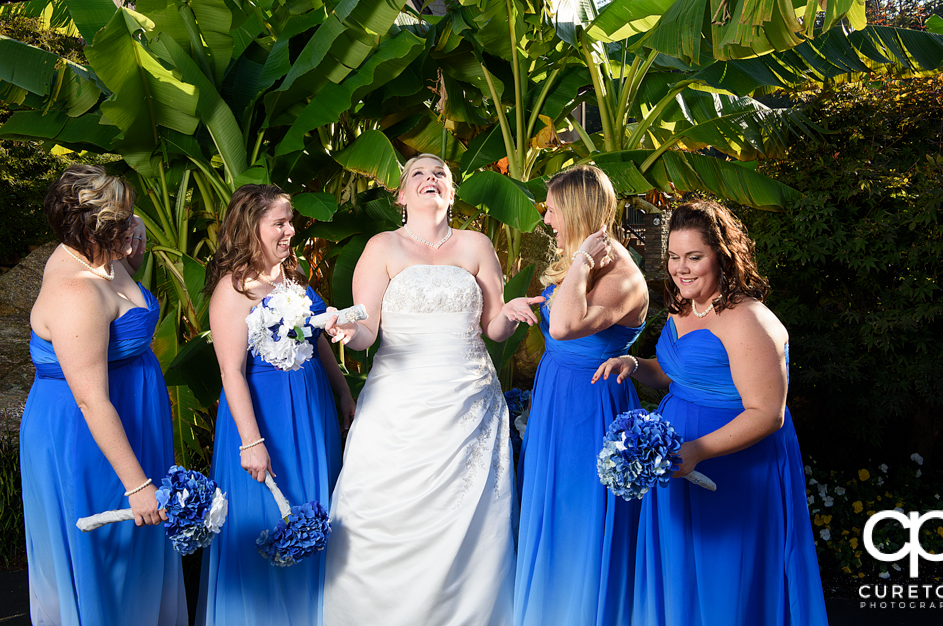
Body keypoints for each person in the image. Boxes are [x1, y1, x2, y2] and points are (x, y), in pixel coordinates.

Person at [321, 154, 538, 626]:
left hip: (471, 403)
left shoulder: (478, 244)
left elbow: (494, 328)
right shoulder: (382, 247)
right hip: (399, 403)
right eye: (417, 173)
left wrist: (511, 310)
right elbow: (366, 328)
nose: (430, 178)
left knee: (470, 522)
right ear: (400, 195)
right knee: (387, 513)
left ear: (452, 192)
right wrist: (343, 328)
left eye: (440, 173)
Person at [594, 199, 829, 626]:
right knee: (679, 572)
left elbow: (767, 413)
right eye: (673, 257)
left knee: (727, 582)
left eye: (694, 257)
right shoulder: (683, 308)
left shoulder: (749, 321)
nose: (681, 269)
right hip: (676, 462)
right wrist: (634, 365)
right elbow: (671, 372)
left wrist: (697, 450)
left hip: (732, 465)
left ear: (721, 255)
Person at [20, 164, 188, 625]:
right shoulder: (75, 293)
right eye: (127, 218)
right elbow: (91, 399)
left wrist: (131, 251)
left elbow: (124, 295)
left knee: (140, 546)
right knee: (109, 548)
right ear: (97, 230)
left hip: (131, 408)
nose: (136, 223)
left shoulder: (99, 255)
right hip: (87, 429)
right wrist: (136, 484)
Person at [196, 184, 355, 626]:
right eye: (279, 223)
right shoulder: (232, 292)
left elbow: (316, 338)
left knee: (313, 513)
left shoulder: (291, 275)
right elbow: (231, 372)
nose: (290, 231)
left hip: (312, 409)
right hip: (265, 417)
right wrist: (251, 441)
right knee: (270, 517)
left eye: (290, 222)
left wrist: (341, 390)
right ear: (252, 227)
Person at [514, 165, 648, 626]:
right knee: (549, 507)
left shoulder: (623, 275)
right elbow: (557, 313)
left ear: (575, 210)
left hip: (591, 406)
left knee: (578, 514)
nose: (547, 220)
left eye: (552, 210)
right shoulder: (582, 260)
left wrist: (580, 263)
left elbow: (566, 326)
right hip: (555, 397)